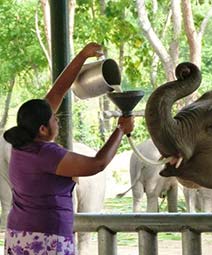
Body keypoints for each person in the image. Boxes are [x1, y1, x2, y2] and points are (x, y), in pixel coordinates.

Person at [3, 42, 134, 255]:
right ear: (44, 129)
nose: (58, 120)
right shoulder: (46, 154)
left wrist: (83, 55)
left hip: (19, 234)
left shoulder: (22, 144)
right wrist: (120, 130)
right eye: (55, 119)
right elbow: (97, 164)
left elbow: (58, 90)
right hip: (47, 238)